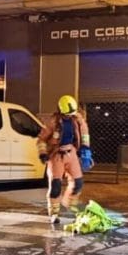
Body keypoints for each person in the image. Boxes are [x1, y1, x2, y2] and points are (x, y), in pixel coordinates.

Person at [37, 94, 94, 225]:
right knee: (55, 186)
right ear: (61, 111)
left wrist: (85, 148)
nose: (70, 116)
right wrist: (43, 153)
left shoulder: (77, 120)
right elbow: (42, 139)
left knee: (78, 183)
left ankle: (69, 203)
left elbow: (84, 133)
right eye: (68, 114)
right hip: (56, 155)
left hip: (71, 153)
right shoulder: (53, 122)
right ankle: (54, 213)